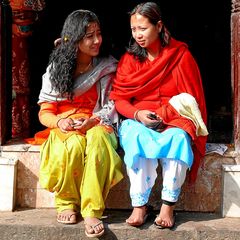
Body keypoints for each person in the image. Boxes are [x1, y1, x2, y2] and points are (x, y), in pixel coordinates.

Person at [110, 2, 208, 229]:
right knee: (135, 136)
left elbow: (190, 100)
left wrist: (165, 114)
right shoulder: (130, 59)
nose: (137, 35)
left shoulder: (180, 55)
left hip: (174, 117)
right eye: (134, 30)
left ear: (159, 26)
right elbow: (120, 99)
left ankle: (168, 206)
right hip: (139, 118)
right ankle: (139, 205)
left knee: (179, 137)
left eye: (142, 28)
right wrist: (137, 114)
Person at [30, 9, 123, 238]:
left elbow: (112, 107)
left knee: (99, 139)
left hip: (98, 121)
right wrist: (60, 122)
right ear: (74, 38)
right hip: (65, 126)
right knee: (72, 144)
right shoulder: (55, 70)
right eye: (89, 36)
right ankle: (66, 202)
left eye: (98, 34)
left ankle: (92, 209)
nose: (96, 40)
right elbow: (45, 112)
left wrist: (93, 121)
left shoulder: (107, 67)